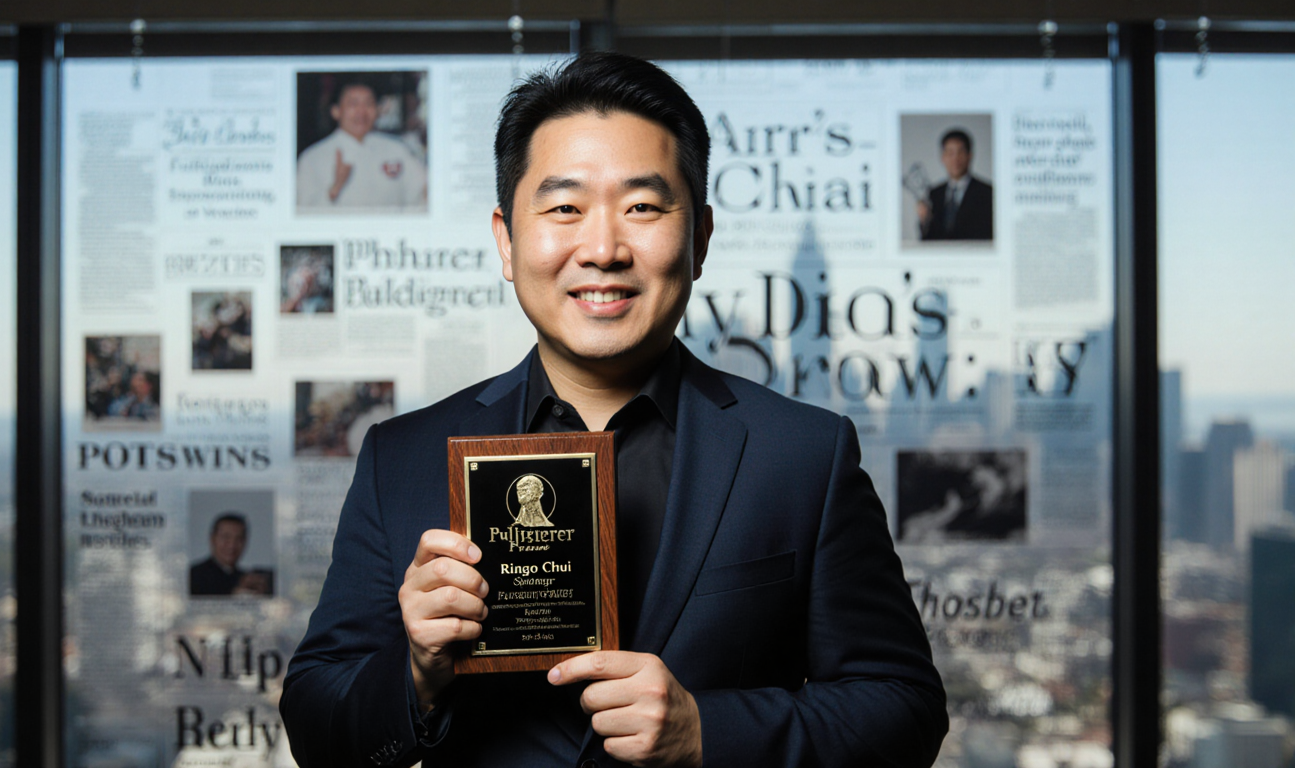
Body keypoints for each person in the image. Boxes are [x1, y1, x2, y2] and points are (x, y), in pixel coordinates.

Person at [281, 52, 947, 768]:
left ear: (700, 239)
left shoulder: (803, 453)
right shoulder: (401, 456)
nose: (602, 249)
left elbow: (904, 707)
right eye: (564, 208)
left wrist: (706, 733)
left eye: (643, 207)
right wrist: (417, 670)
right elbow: (319, 727)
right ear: (507, 240)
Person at [296, 79, 428, 212]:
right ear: (336, 111)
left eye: (369, 103)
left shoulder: (397, 150)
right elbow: (302, 214)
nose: (362, 112)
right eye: (353, 104)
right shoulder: (312, 158)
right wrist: (335, 188)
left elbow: (420, 196)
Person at [917, 128, 994, 241]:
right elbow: (928, 239)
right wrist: (923, 221)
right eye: (950, 153)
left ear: (970, 156)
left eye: (961, 152)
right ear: (943, 157)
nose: (956, 158)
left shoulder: (988, 192)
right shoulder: (934, 193)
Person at [189, 513, 271, 596]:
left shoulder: (245, 579)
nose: (232, 545)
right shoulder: (192, 577)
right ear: (213, 539)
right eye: (226, 537)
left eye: (239, 539)